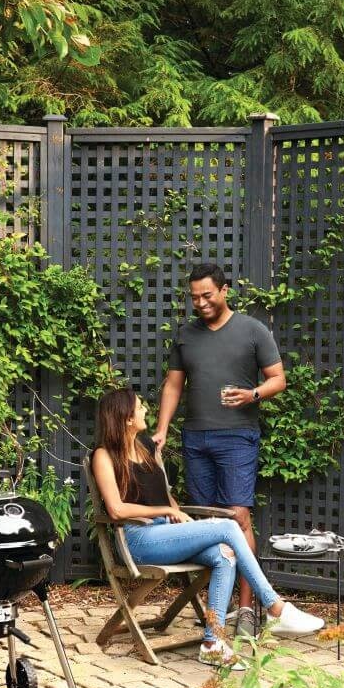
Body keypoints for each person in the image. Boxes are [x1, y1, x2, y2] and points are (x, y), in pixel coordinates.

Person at [92, 387, 322, 667]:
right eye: (140, 407)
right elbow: (116, 509)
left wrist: (173, 509)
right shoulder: (104, 456)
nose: (146, 410)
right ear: (127, 417)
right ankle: (275, 606)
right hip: (138, 540)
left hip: (166, 534)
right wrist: (167, 510)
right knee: (227, 527)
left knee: (225, 554)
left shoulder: (146, 447)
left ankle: (213, 643)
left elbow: (162, 494)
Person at [152, 264, 287, 639]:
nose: (200, 303)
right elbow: (173, 386)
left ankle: (246, 609)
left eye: (207, 295)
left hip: (237, 436)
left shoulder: (252, 330)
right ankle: (219, 607)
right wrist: (162, 429)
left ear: (225, 291)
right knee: (209, 522)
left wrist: (252, 394)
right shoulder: (186, 335)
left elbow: (278, 379)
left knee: (238, 517)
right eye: (194, 297)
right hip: (195, 438)